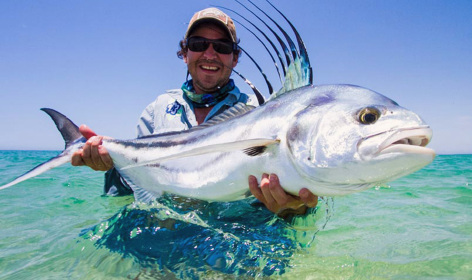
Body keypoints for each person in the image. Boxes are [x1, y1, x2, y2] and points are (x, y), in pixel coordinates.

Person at [71, 7, 317, 218]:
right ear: (185, 53)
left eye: (221, 46)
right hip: (164, 236)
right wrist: (109, 165)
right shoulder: (157, 110)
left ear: (235, 57)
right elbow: (134, 186)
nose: (209, 54)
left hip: (235, 241)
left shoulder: (262, 113)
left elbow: (297, 191)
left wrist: (294, 208)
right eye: (199, 44)